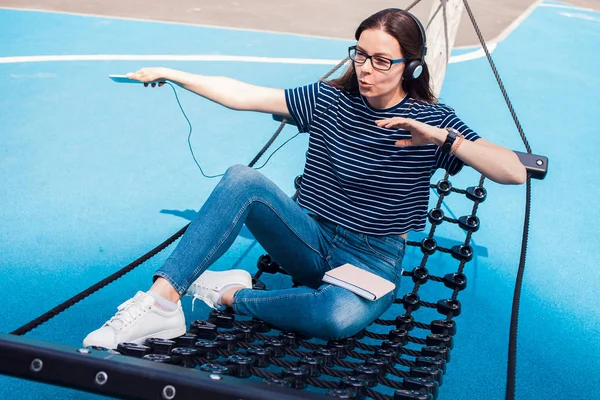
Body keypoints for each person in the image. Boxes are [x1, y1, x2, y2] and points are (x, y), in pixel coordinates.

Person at [83, 8, 526, 349]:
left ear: (410, 67)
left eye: (381, 60)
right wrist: (173, 74)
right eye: (360, 53)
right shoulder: (328, 99)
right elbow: (244, 95)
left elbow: (511, 171)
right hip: (309, 237)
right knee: (241, 179)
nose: (366, 68)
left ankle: (230, 294)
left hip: (372, 259)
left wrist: (444, 138)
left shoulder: (431, 119)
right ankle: (161, 303)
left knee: (334, 318)